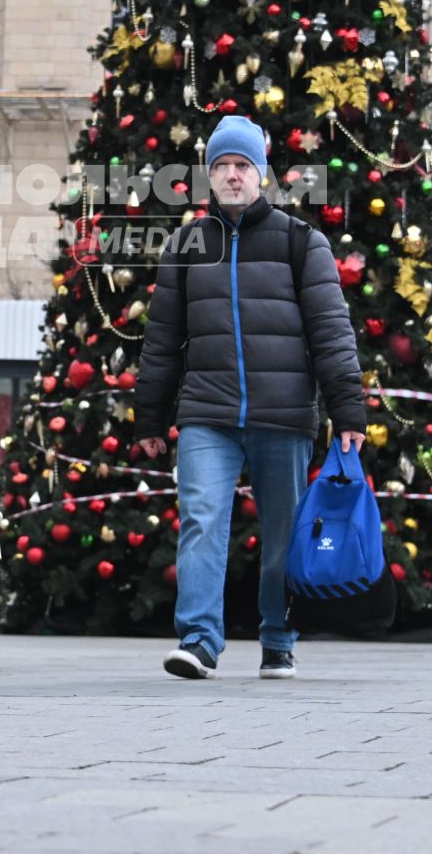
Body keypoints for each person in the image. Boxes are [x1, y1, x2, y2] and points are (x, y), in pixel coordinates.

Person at [132, 115, 366, 680]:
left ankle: (279, 638)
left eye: (243, 166)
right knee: (202, 517)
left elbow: (331, 330)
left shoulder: (300, 241)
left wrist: (347, 409)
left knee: (284, 532)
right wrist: (149, 420)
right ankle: (200, 640)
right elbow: (162, 340)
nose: (233, 176)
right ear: (209, 176)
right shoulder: (187, 245)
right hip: (207, 413)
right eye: (222, 166)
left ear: (261, 174)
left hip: (283, 413)